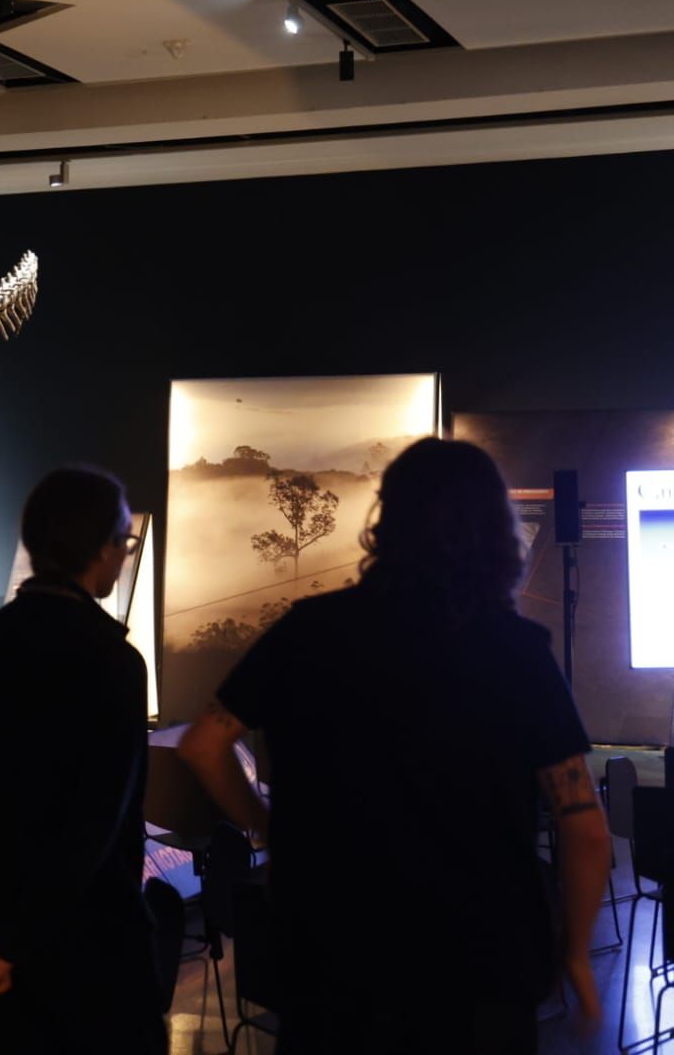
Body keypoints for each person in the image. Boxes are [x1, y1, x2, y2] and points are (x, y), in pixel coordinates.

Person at [178, 438, 611, 1054]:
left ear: (386, 521)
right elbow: (584, 828)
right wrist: (575, 957)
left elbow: (202, 746)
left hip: (331, 963)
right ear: (495, 532)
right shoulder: (516, 651)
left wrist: (263, 825)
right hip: (478, 974)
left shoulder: (305, 632)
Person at [0, 466, 167, 1054]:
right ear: (102, 549)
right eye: (124, 542)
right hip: (91, 947)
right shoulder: (113, 660)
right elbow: (94, 826)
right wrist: (10, 945)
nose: (123, 555)